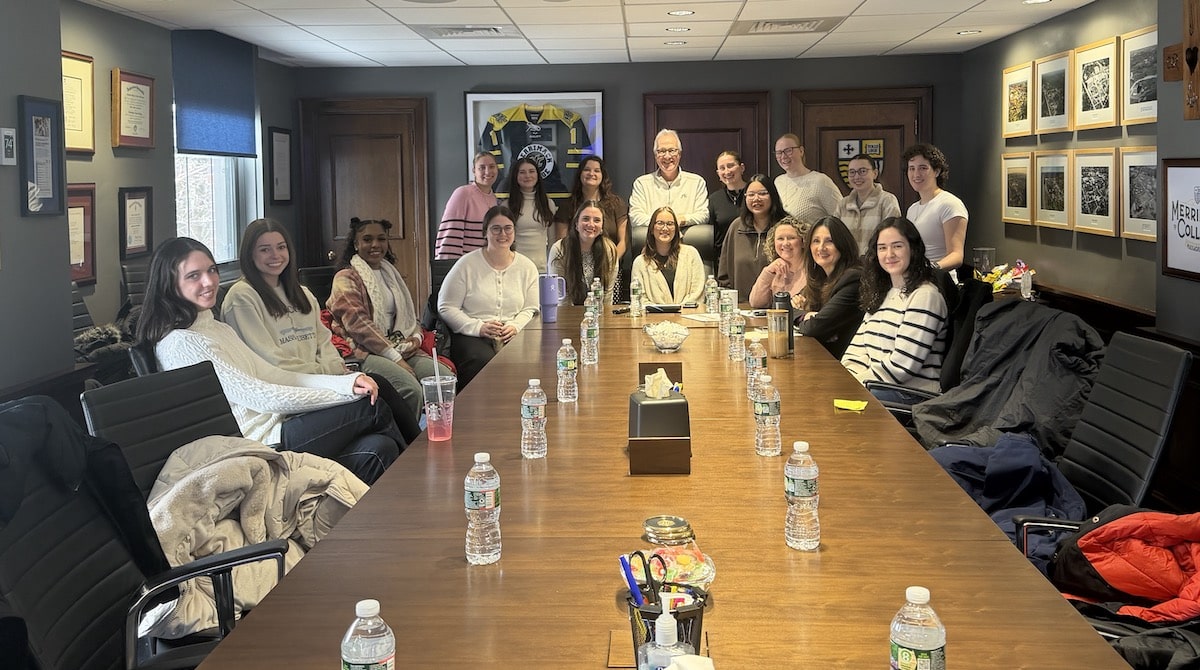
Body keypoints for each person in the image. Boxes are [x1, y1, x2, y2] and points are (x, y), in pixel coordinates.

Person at [137, 237, 404, 485]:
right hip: (257, 443)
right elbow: (261, 396)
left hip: (277, 424)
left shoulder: (216, 328)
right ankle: (430, 480)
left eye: (211, 270)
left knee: (380, 448)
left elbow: (273, 375)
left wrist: (346, 383)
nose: (209, 282)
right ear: (169, 284)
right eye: (194, 276)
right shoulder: (182, 342)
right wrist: (342, 394)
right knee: (370, 405)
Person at [221, 218, 422, 443]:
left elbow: (325, 345)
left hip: (321, 383)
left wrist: (332, 373)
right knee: (372, 402)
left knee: (379, 436)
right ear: (250, 254)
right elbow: (272, 365)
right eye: (264, 249)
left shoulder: (302, 294)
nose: (275, 255)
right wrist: (328, 378)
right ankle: (418, 457)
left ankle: (415, 457)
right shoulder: (242, 298)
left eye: (281, 247)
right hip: (287, 397)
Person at [326, 217, 454, 425]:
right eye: (367, 239)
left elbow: (408, 318)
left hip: (398, 346)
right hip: (363, 350)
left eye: (381, 239)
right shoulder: (345, 277)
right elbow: (359, 326)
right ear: (356, 244)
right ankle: (405, 446)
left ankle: (437, 434)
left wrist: (414, 337)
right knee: (410, 389)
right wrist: (396, 359)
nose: (375, 245)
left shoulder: (390, 274)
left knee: (442, 380)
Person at [840, 217, 948, 392]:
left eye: (897, 246)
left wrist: (854, 387)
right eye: (882, 248)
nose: (889, 254)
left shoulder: (925, 296)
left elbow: (902, 367)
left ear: (913, 249)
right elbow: (856, 351)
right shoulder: (883, 292)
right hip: (875, 388)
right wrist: (847, 381)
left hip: (910, 395)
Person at [438, 205, 539, 387]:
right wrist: (478, 327)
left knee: (530, 359)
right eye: (496, 228)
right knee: (483, 361)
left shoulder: (527, 267)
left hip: (514, 333)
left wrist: (515, 326)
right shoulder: (466, 265)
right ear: (485, 232)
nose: (503, 234)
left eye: (508, 228)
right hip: (473, 335)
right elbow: (446, 306)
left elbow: (531, 308)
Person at [555, 155, 629, 299]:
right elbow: (562, 243)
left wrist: (609, 264)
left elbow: (623, 242)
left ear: (603, 175)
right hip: (575, 269)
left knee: (606, 313)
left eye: (597, 170)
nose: (592, 174)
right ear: (580, 174)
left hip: (610, 268)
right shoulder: (567, 206)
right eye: (587, 170)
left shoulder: (616, 204)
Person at [795, 216, 865, 358]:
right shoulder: (820, 278)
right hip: (821, 357)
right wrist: (805, 316)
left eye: (829, 241)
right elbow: (782, 306)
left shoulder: (853, 279)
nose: (821, 247)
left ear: (842, 245)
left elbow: (814, 328)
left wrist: (808, 320)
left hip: (844, 364)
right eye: (816, 241)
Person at [718, 174, 785, 301]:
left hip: (777, 307)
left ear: (773, 196)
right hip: (740, 308)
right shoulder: (736, 227)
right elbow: (724, 274)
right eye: (751, 195)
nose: (756, 199)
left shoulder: (785, 227)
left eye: (762, 193)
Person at [902, 143, 968, 270]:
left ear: (936, 171)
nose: (916, 174)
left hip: (939, 283)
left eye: (923, 168)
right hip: (914, 281)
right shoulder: (912, 209)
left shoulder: (949, 204)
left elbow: (956, 256)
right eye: (911, 168)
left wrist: (930, 270)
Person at [628, 129, 709, 229]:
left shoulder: (697, 182)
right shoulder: (641, 184)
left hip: (686, 241)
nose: (667, 156)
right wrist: (664, 223)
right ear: (655, 155)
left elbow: (703, 215)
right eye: (661, 151)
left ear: (679, 154)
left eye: (671, 150)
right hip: (652, 242)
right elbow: (635, 216)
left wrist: (682, 220)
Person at [547, 200, 619, 306]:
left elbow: (607, 295)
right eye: (585, 219)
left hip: (598, 312)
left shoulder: (610, 250)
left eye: (597, 220)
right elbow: (561, 297)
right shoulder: (559, 249)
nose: (591, 224)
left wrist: (604, 319)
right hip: (567, 313)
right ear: (576, 224)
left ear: (602, 227)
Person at [631, 206, 705, 305]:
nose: (665, 228)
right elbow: (640, 300)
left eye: (670, 224)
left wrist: (678, 313)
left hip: (687, 317)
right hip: (654, 318)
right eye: (660, 223)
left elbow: (697, 294)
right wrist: (664, 314)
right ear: (652, 229)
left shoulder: (691, 254)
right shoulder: (640, 263)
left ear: (676, 229)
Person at [434, 151, 499, 260]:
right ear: (474, 171)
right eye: (482, 168)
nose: (487, 172)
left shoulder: (493, 199)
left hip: (485, 264)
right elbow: (450, 235)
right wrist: (449, 266)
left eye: (492, 167)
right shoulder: (463, 194)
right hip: (465, 266)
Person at [835, 153, 902, 254]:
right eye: (852, 172)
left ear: (875, 173)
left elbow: (892, 237)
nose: (857, 177)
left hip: (877, 265)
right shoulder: (843, 204)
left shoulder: (887, 201)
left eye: (862, 171)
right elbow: (835, 237)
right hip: (849, 266)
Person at [772, 133, 842, 223]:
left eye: (788, 150)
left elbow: (841, 217)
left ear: (801, 151)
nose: (783, 156)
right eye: (779, 153)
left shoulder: (821, 181)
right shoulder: (777, 182)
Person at [503, 157, 557, 272]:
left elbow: (552, 240)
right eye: (522, 172)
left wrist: (552, 267)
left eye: (531, 171)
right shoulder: (506, 206)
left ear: (538, 175)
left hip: (542, 269)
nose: (527, 176)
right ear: (515, 177)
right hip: (515, 268)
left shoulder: (548, 203)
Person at [749, 216, 808, 308]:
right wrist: (767, 272)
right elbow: (756, 303)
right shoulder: (774, 270)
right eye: (780, 239)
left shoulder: (813, 272)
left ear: (803, 242)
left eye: (791, 238)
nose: (785, 243)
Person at [707, 150, 748, 271]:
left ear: (742, 168)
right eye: (722, 168)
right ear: (718, 173)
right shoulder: (714, 199)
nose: (727, 171)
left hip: (752, 258)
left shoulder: (754, 194)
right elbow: (713, 237)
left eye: (730, 166)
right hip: (725, 261)